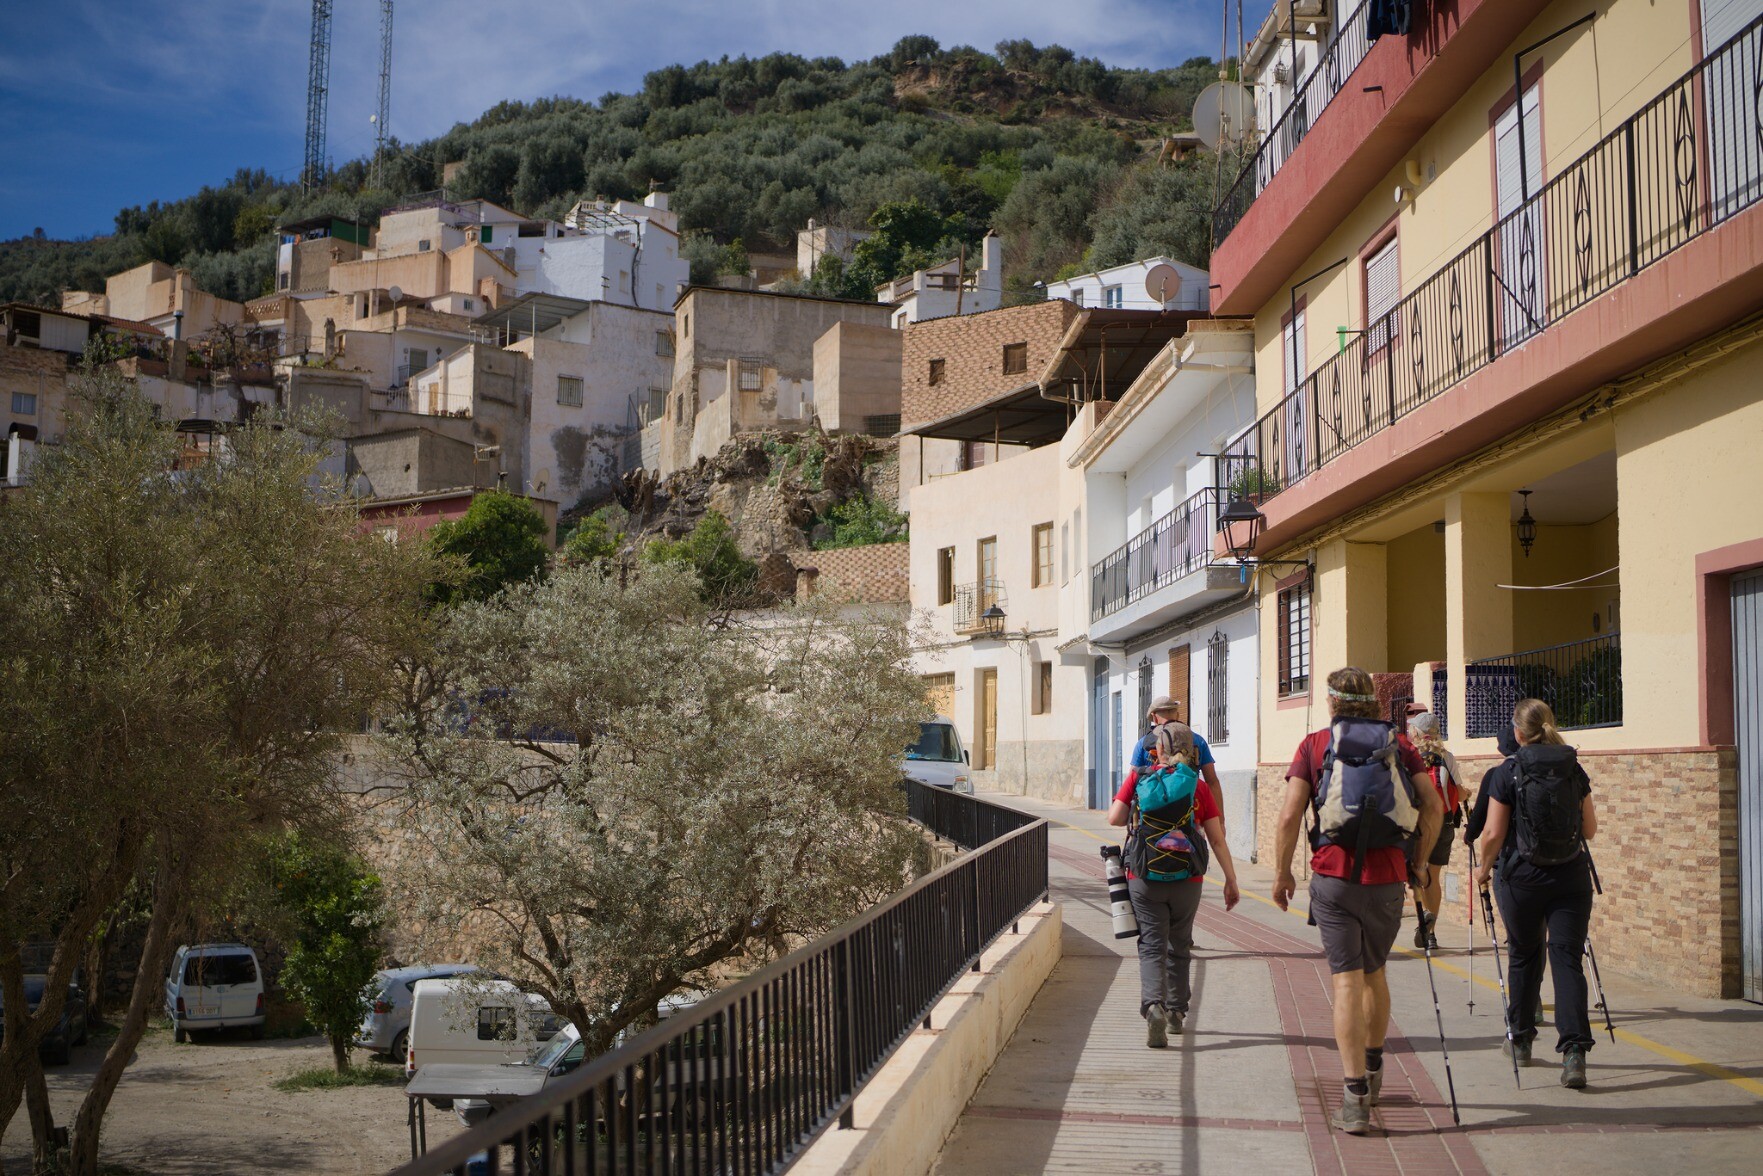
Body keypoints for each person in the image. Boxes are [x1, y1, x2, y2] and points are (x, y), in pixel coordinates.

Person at [1274, 667, 1442, 1135]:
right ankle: (1373, 1065)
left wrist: (1282, 872)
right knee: (1375, 974)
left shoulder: (1314, 745)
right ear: (1371, 700)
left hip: (1332, 878)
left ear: (1331, 703)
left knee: (1345, 983)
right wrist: (1421, 862)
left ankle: (1353, 1099)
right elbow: (1434, 806)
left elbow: (1290, 815)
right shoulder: (1401, 744)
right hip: (1388, 879)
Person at [1473, 698, 1599, 1089]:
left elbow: (1492, 833)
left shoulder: (1506, 771)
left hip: (1521, 879)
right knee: (1567, 960)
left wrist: (1482, 870)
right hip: (1571, 879)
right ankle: (1575, 1053)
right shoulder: (1572, 767)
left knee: (1525, 957)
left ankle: (1521, 1041)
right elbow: (1590, 829)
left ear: (1517, 732)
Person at [1109, 720, 1240, 1048]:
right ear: (1192, 750)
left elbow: (1114, 817)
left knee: (1152, 944)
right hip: (1188, 877)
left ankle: (1154, 1004)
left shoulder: (1139, 777)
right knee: (1179, 944)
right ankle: (1177, 1013)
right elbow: (1217, 839)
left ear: (1159, 750)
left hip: (1144, 875)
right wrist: (1231, 879)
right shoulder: (1198, 787)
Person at [1407, 711, 1464, 950]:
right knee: (1434, 879)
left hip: (1417, 825)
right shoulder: (1447, 757)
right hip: (1444, 824)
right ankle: (1430, 933)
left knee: (1413, 877)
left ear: (1418, 733)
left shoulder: (1409, 757)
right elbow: (1459, 794)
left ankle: (1424, 917)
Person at [1132, 695, 1228, 823]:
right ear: (1177, 715)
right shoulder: (1198, 741)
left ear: (1154, 717)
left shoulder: (1143, 743)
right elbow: (1212, 782)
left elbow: (1133, 783)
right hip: (1190, 817)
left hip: (1152, 822)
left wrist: (1133, 825)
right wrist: (1221, 821)